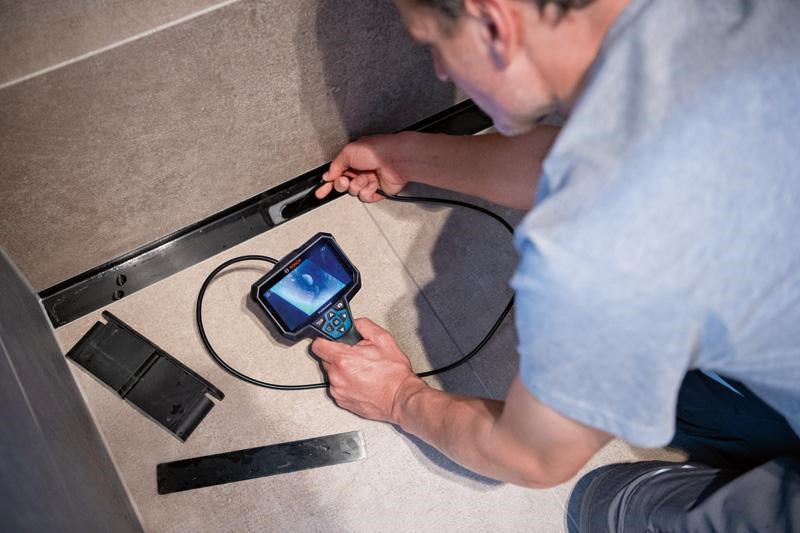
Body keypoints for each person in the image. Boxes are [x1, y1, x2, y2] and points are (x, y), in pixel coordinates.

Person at [311, 0, 800, 529]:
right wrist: (406, 156)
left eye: (434, 44)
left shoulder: (602, 241)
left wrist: (399, 397)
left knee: (603, 503)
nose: (442, 71)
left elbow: (531, 456)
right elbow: (588, 157)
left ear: (493, 23)